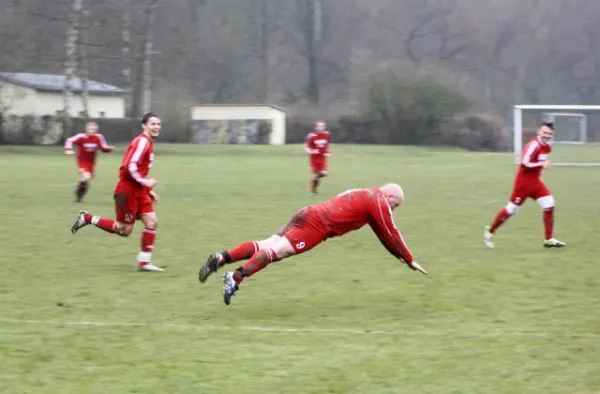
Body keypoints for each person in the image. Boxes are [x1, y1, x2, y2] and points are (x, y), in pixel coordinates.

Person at [199, 183, 428, 305]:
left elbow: (380, 232)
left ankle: (221, 258)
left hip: (308, 212)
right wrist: (409, 259)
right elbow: (390, 232)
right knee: (275, 252)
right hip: (316, 226)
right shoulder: (378, 201)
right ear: (389, 198)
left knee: (267, 243)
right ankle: (235, 278)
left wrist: (401, 257)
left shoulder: (362, 192)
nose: (392, 210)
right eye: (394, 206)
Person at [70, 113, 164, 272]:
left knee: (152, 221)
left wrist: (147, 190)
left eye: (158, 124)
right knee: (124, 230)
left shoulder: (147, 142)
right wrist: (145, 183)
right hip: (127, 191)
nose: (156, 127)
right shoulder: (142, 142)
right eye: (152, 124)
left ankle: (144, 262)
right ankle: (87, 218)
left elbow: (139, 169)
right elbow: (130, 166)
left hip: (139, 191)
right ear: (144, 125)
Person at [484, 121, 566, 249]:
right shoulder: (533, 145)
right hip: (523, 184)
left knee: (549, 204)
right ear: (539, 132)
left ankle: (548, 239)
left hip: (536, 183)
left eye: (549, 133)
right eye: (545, 132)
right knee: (511, 210)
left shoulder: (547, 147)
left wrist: (540, 172)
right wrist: (541, 165)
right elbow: (524, 163)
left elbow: (539, 161)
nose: (547, 135)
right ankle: (490, 231)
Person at [64, 121, 115, 202]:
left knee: (85, 180)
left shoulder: (99, 137)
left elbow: (103, 148)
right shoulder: (81, 137)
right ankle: (79, 194)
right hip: (82, 162)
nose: (92, 130)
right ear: (86, 129)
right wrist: (68, 150)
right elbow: (69, 140)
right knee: (86, 177)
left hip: (91, 163)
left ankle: (79, 196)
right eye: (90, 129)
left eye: (94, 129)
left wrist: (109, 149)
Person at [304, 121, 331, 194]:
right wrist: (312, 151)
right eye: (319, 126)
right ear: (315, 127)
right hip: (314, 159)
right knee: (319, 173)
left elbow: (327, 144)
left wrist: (327, 151)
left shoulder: (327, 134)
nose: (321, 128)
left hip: (322, 158)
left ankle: (314, 181)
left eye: (322, 126)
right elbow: (306, 147)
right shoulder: (311, 136)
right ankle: (314, 188)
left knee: (324, 173)